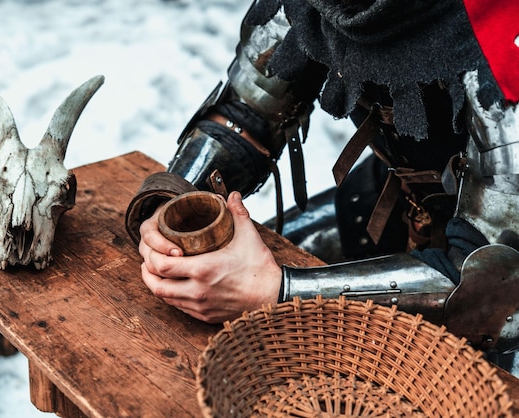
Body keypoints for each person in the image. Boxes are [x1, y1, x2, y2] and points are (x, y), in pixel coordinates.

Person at [125, 0, 519, 369]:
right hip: (398, 201)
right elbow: (245, 112)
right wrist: (173, 203)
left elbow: (494, 284)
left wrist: (279, 292)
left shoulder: (504, 30)